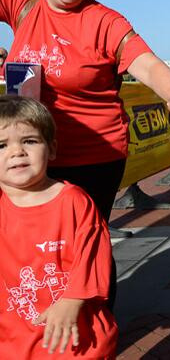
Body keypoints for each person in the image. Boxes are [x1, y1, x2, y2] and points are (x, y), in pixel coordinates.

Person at [0, 0, 170, 302]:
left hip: (92, 156)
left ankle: (97, 326)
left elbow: (150, 65)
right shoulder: (22, 3)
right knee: (29, 241)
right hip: (27, 151)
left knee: (83, 244)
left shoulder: (105, 22)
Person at [0, 96, 117, 358]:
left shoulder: (73, 201)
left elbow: (94, 256)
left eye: (29, 141)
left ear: (51, 149)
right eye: (1, 145)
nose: (16, 152)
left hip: (77, 338)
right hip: (16, 341)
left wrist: (72, 300)